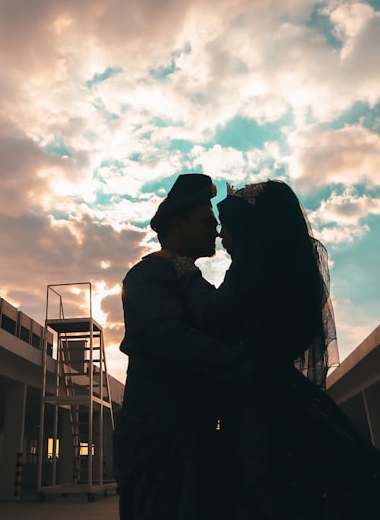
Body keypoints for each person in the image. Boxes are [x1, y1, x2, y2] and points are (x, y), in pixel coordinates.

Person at [197, 180, 380, 519]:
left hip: (259, 404)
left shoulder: (251, 267)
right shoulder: (284, 266)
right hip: (283, 394)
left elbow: (213, 317)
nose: (221, 236)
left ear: (247, 227)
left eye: (226, 227)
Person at [113, 174, 252, 520]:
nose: (216, 232)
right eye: (207, 221)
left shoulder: (188, 277)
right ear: (178, 222)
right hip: (157, 441)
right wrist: (249, 365)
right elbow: (173, 341)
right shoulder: (147, 276)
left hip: (188, 437)